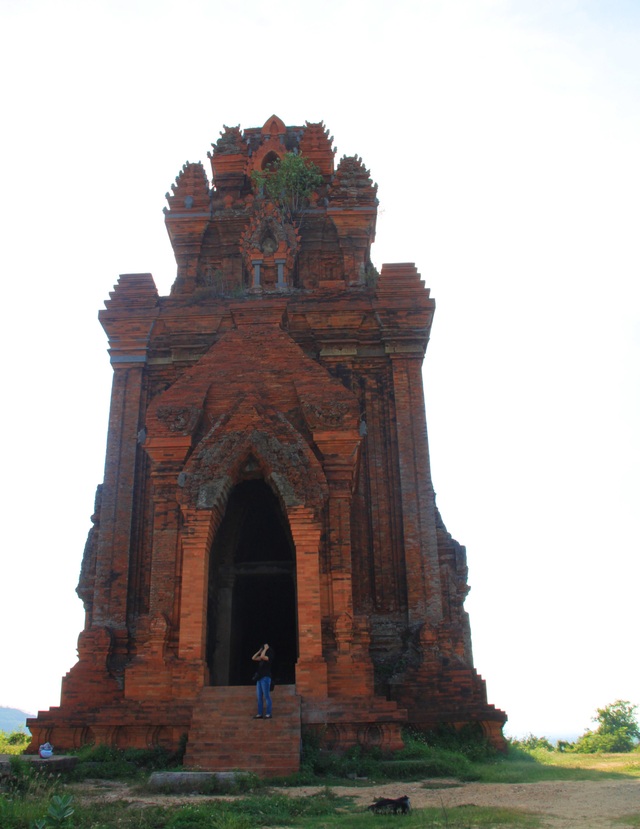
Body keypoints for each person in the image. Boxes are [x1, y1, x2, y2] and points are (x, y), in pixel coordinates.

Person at [252, 643, 273, 719]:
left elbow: (263, 656)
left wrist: (265, 649)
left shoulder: (269, 657)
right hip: (259, 678)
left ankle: (268, 713)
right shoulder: (261, 658)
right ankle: (259, 713)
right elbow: (253, 658)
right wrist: (259, 650)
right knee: (259, 697)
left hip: (266, 678)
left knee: (267, 696)